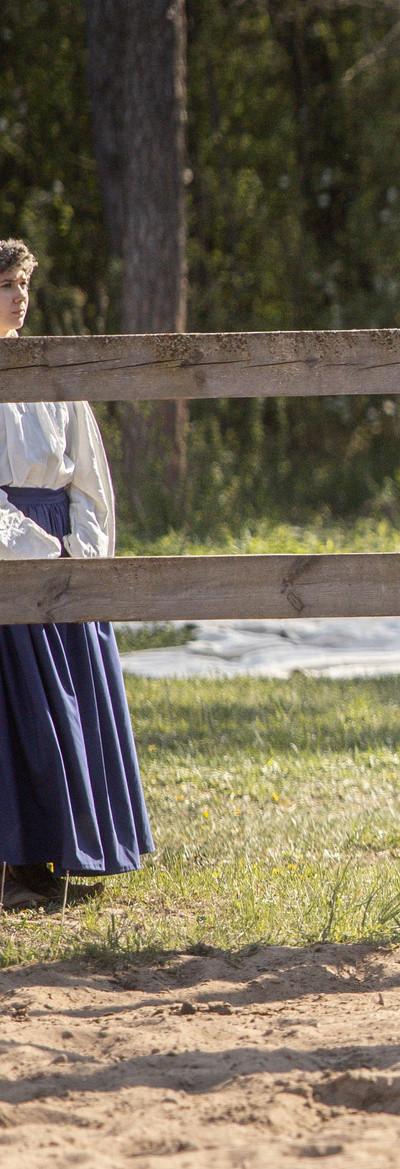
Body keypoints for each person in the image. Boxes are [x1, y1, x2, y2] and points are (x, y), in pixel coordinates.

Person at [0, 240, 148, 909]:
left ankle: (69, 847)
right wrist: (30, 549)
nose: (19, 296)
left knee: (72, 704)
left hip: (64, 553)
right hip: (10, 558)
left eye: (24, 283)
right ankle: (19, 860)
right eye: (6, 284)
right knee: (22, 714)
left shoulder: (56, 370)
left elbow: (89, 475)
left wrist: (81, 555)